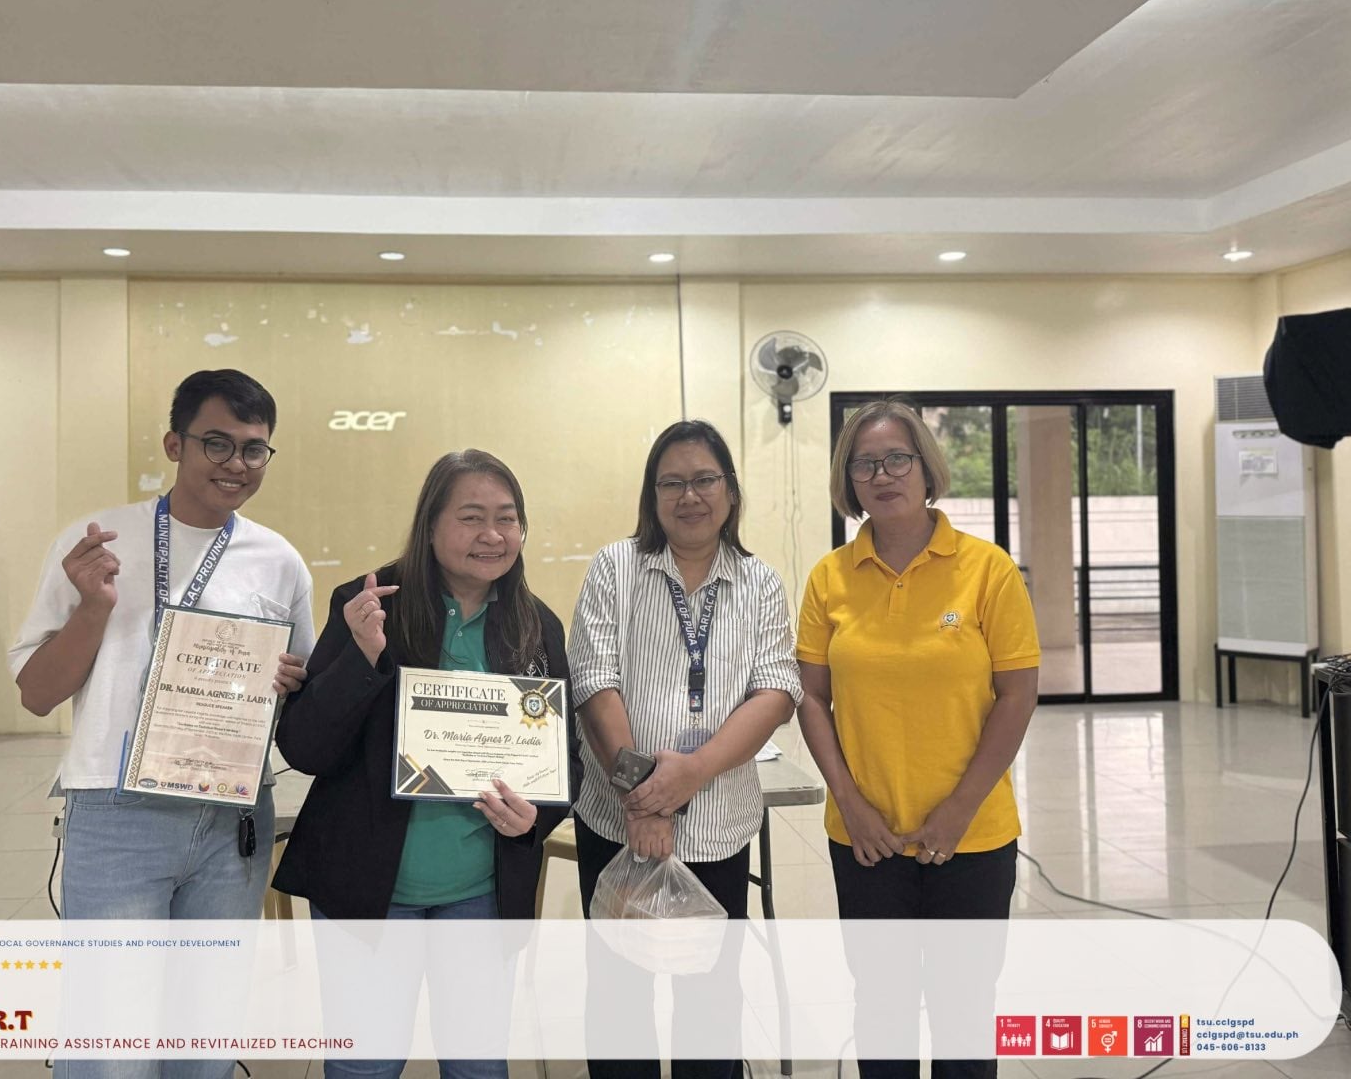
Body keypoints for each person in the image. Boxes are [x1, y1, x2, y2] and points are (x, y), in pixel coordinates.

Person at [9, 368, 315, 1079]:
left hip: (232, 819)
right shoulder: (97, 544)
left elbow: (299, 697)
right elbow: (36, 694)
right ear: (175, 444)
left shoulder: (279, 561)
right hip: (119, 813)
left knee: (205, 1040)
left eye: (254, 449)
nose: (236, 464)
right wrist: (94, 607)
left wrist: (291, 685)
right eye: (217, 443)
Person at [274, 448, 580, 1079]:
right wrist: (363, 655)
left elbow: (563, 763)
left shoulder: (536, 626)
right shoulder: (368, 605)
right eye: (471, 517)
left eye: (507, 518)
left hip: (481, 893)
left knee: (477, 1066)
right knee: (365, 1067)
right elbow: (305, 748)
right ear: (431, 525)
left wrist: (535, 818)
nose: (492, 535)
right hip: (369, 892)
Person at [795, 397, 1040, 1078]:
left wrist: (958, 809)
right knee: (882, 1010)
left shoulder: (987, 569)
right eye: (864, 464)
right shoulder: (830, 578)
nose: (882, 476)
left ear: (927, 468)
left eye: (897, 459)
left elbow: (1017, 694)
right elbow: (810, 697)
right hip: (866, 838)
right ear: (848, 481)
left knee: (965, 1013)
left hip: (972, 835)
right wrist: (850, 803)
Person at [568, 419, 801, 1079]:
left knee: (710, 1002)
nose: (689, 496)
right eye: (671, 482)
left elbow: (777, 690)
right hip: (617, 823)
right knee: (619, 998)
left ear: (730, 490)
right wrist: (643, 799)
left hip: (717, 827)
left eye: (704, 480)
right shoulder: (616, 567)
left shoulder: (760, 583)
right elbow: (593, 680)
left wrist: (692, 773)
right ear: (652, 495)